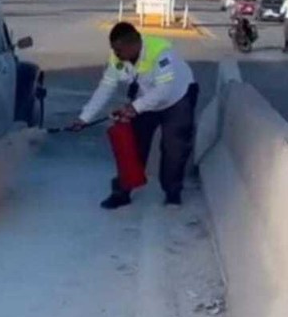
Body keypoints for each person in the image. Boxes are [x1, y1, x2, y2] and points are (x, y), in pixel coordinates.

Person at [69, 22, 199, 209]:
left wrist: (135, 107)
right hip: (146, 100)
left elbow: (164, 90)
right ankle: (122, 192)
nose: (116, 55)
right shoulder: (118, 58)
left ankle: (172, 193)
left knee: (174, 148)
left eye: (119, 50)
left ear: (133, 45)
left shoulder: (162, 53)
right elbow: (105, 88)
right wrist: (84, 117)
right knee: (132, 145)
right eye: (114, 50)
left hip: (178, 98)